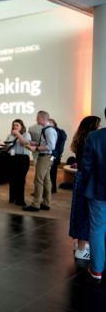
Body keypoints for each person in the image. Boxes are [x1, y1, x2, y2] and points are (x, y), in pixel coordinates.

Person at [69, 116, 101, 260]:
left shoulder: (79, 140)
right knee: (85, 214)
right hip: (87, 180)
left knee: (79, 211)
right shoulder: (91, 140)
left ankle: (79, 244)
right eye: (98, 125)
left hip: (80, 178)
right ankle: (81, 249)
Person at [82, 108, 106, 281]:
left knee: (97, 229)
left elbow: (87, 167)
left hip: (98, 189)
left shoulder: (94, 137)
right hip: (97, 189)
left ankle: (97, 269)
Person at [24, 111, 57, 211]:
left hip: (45, 156)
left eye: (37, 118)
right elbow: (46, 143)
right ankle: (46, 203)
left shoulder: (48, 130)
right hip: (46, 156)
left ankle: (36, 204)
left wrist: (37, 148)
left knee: (38, 180)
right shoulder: (46, 129)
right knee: (46, 180)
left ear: (43, 118)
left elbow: (51, 146)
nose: (36, 120)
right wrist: (34, 143)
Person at [4, 119, 31, 206]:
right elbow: (6, 147)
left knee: (21, 179)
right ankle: (12, 198)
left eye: (17, 125)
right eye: (13, 125)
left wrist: (18, 134)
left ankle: (20, 200)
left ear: (21, 126)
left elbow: (25, 143)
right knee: (12, 178)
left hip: (23, 158)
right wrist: (5, 146)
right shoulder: (10, 135)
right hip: (12, 158)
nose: (14, 127)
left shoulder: (26, 134)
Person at [48, 118, 67, 193]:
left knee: (52, 170)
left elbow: (60, 146)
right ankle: (51, 187)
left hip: (54, 155)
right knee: (49, 171)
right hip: (49, 154)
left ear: (54, 123)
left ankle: (53, 188)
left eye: (50, 122)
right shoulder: (47, 131)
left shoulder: (60, 132)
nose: (48, 124)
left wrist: (56, 155)